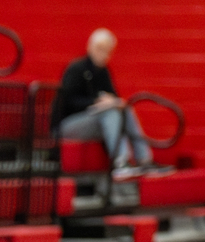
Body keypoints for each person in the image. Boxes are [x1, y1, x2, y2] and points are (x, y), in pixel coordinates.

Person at [52, 29, 172, 181]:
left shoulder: (103, 71)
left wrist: (113, 102)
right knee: (110, 112)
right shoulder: (76, 68)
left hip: (93, 122)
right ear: (90, 47)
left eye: (108, 51)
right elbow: (68, 101)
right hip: (67, 125)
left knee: (124, 109)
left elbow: (113, 97)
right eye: (100, 49)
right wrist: (96, 102)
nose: (104, 55)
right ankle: (121, 162)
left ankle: (144, 160)